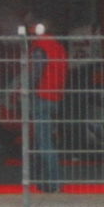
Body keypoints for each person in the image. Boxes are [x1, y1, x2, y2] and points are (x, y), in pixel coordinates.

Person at [28, 21, 67, 193]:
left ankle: (53, 182)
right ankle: (44, 181)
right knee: (44, 141)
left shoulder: (40, 47)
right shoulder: (58, 46)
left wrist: (29, 89)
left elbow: (36, 72)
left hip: (42, 96)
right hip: (55, 96)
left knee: (43, 143)